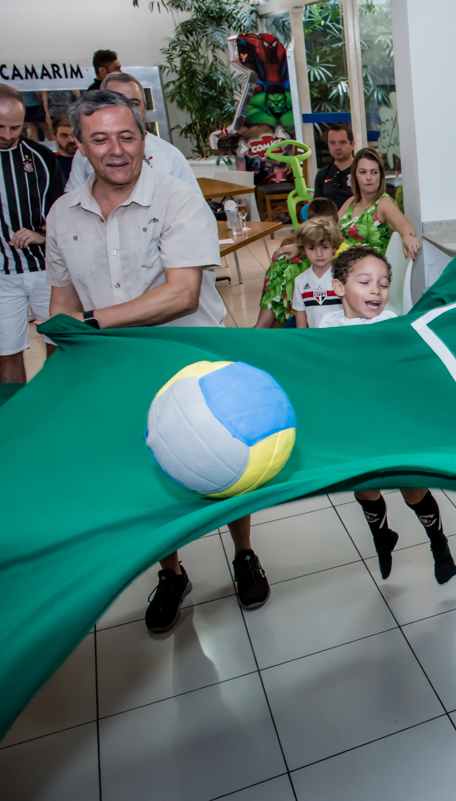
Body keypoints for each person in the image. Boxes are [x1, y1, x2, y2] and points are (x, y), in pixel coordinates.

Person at [45, 90, 269, 632]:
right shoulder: (62, 215)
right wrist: (60, 368)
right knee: (151, 472)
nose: (115, 149)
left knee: (227, 460)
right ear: (80, 145)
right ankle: (172, 573)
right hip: (118, 370)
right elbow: (62, 303)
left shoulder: (177, 198)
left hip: (192, 357)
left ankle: (242, 553)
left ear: (144, 139)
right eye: (100, 138)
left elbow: (181, 295)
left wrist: (93, 323)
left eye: (127, 136)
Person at [318, 246, 456, 584]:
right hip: (357, 428)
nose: (376, 291)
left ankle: (439, 542)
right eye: (365, 282)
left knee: (412, 488)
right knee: (365, 489)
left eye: (383, 284)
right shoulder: (327, 326)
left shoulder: (392, 324)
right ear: (339, 288)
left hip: (395, 426)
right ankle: (382, 536)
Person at [0, 85, 64, 384]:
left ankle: (55, 407)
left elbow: (60, 211)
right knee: (7, 353)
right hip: (2, 275)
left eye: (15, 127)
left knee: (59, 344)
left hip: (46, 270)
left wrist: (42, 234)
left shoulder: (41, 156)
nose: (8, 134)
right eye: (0, 126)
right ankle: (14, 420)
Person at [66, 77, 200, 194]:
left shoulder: (170, 155)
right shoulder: (84, 154)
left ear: (144, 106)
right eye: (115, 102)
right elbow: (72, 201)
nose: (117, 151)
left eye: (133, 103)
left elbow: (193, 206)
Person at [255, 197, 343, 329]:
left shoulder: (344, 270)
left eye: (326, 225)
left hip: (339, 331)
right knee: (282, 262)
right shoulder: (301, 280)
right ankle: (264, 324)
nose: (319, 253)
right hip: (311, 328)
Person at [339, 149, 420, 259]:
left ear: (381, 176)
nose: (369, 177)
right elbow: (330, 230)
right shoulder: (351, 202)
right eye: (363, 172)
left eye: (374, 172)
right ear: (355, 175)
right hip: (343, 268)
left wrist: (408, 236)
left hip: (372, 272)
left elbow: (403, 224)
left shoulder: (383, 203)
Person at [290, 217, 345, 329]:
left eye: (324, 247)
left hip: (342, 337)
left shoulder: (345, 276)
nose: (319, 254)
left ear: (334, 247)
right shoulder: (300, 280)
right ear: (303, 250)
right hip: (316, 340)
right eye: (311, 248)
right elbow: (301, 314)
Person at [313, 123, 355, 209]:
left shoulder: (363, 172)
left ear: (352, 144)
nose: (337, 147)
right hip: (329, 220)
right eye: (332, 143)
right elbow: (316, 209)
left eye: (342, 142)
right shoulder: (322, 174)